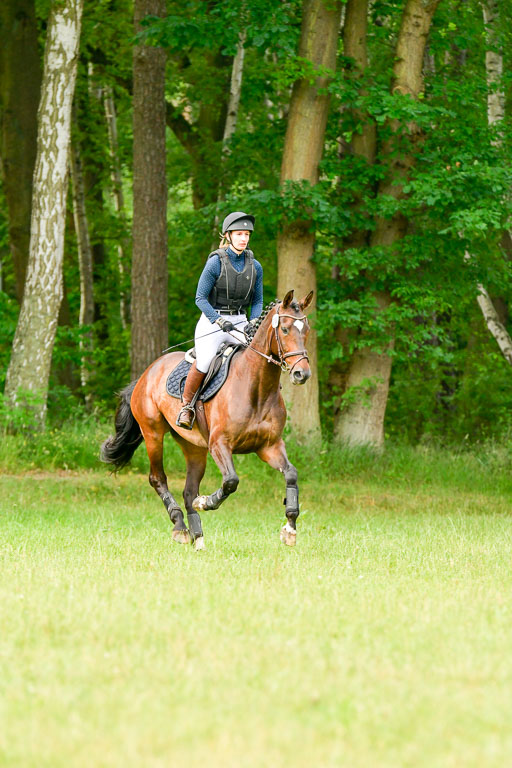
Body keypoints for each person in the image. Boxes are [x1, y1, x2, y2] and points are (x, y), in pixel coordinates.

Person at [176, 211, 263, 429]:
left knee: (259, 357)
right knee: (205, 360)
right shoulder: (216, 262)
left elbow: (258, 300)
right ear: (228, 235)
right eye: (239, 234)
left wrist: (253, 321)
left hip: (241, 321)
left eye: (246, 234)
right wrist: (217, 319)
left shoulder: (256, 267)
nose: (244, 238)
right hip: (212, 320)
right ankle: (186, 407)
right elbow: (200, 298)